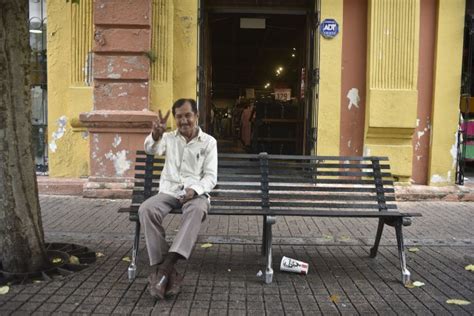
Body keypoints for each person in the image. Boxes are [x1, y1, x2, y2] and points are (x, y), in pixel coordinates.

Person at [139, 98, 218, 300]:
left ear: (196, 116)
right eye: (179, 116)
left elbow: (210, 177)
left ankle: (163, 269)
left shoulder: (209, 142)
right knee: (146, 209)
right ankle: (167, 272)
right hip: (169, 191)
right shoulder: (168, 138)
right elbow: (151, 149)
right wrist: (155, 136)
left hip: (195, 194)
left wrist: (194, 190)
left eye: (187, 115)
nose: (184, 121)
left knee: (197, 210)